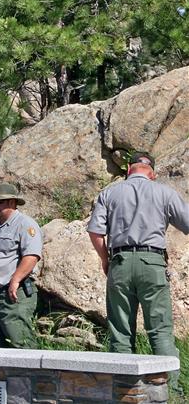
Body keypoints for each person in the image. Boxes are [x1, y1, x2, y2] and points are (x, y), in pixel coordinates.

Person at [87, 151, 189, 361]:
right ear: (152, 173)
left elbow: (95, 232)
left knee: (121, 333)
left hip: (120, 262)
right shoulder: (164, 192)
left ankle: (123, 388)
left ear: (128, 169)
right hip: (152, 262)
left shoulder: (109, 193)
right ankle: (169, 389)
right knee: (159, 331)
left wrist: (106, 260)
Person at [0, 182, 43, 348]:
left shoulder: (25, 224)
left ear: (12, 202)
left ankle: (32, 373)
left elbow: (31, 255)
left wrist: (15, 280)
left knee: (20, 342)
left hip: (12, 294)